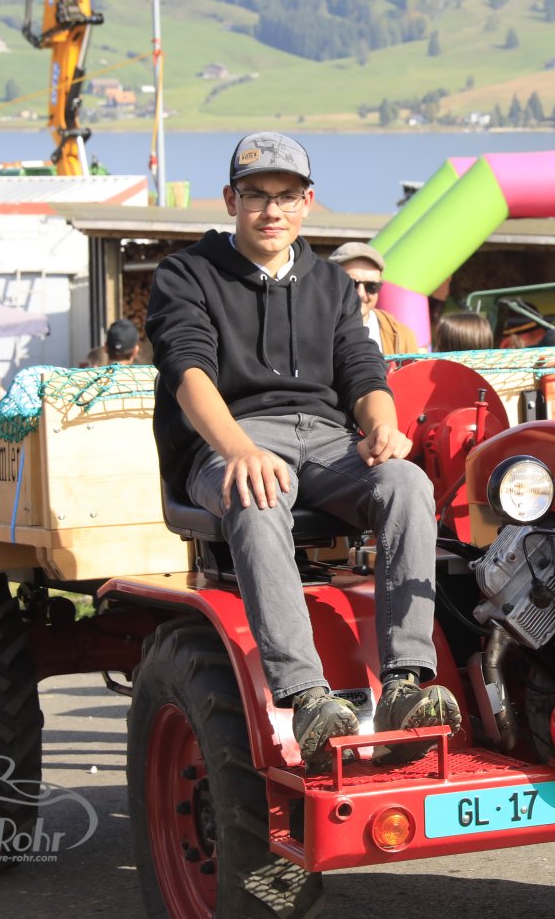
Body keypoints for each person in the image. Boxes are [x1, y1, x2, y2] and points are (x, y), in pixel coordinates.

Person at [146, 130, 459, 770]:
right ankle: (307, 695)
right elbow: (187, 371)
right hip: (228, 439)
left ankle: (405, 683)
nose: (272, 210)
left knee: (407, 483)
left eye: (287, 196)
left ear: (307, 202)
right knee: (258, 490)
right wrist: (238, 450)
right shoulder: (187, 275)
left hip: (325, 441)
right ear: (230, 200)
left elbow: (364, 372)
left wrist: (381, 427)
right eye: (256, 195)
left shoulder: (332, 285)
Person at [327, 242, 420, 355]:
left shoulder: (402, 335)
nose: (361, 294)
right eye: (351, 284)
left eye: (371, 286)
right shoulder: (311, 327)